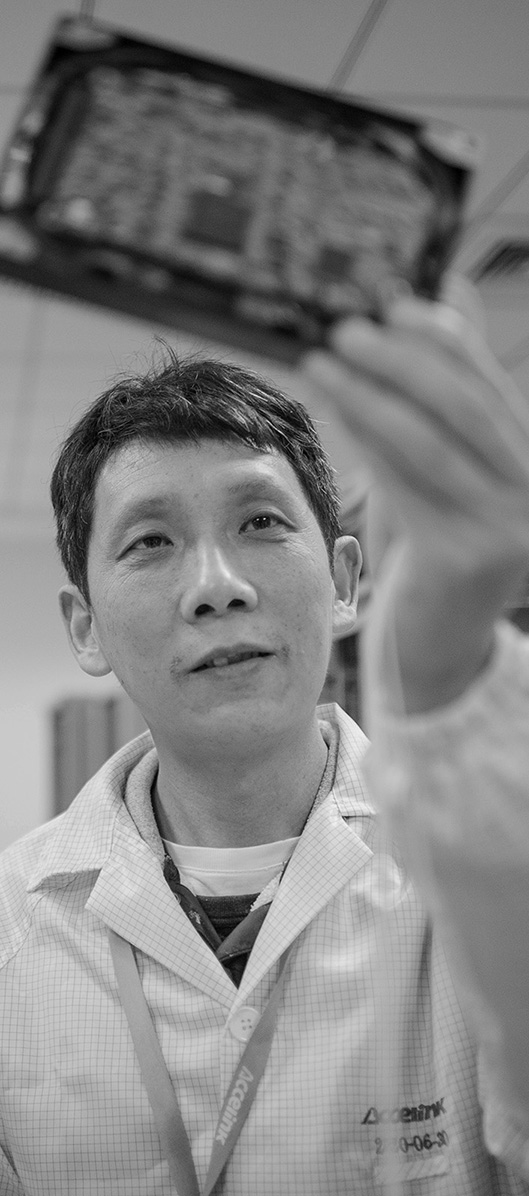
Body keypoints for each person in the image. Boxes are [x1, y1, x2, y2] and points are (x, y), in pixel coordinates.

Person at [0, 288, 528, 1195]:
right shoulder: (12, 922)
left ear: (344, 582)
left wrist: (451, 669)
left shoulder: (485, 877)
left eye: (260, 523)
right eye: (150, 541)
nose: (216, 586)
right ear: (85, 628)